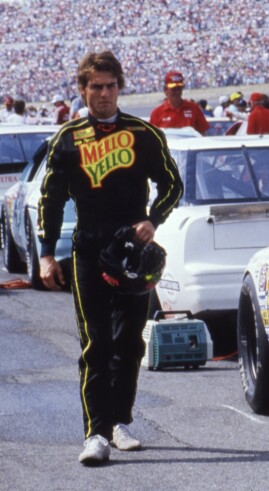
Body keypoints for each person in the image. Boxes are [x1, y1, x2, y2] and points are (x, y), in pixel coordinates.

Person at [38, 51, 184, 465]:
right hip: (88, 251)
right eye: (96, 87)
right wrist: (47, 255)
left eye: (111, 86)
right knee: (95, 343)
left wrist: (152, 219)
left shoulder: (143, 133)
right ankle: (96, 433)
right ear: (83, 89)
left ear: (120, 88)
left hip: (133, 255)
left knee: (129, 342)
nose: (104, 94)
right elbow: (51, 200)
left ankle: (120, 421)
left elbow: (173, 184)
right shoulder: (68, 137)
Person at [149, 71, 209, 135]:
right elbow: (151, 136)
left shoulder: (194, 108)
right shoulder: (157, 113)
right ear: (165, 90)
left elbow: (203, 133)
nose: (177, 92)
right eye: (173, 89)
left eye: (179, 88)